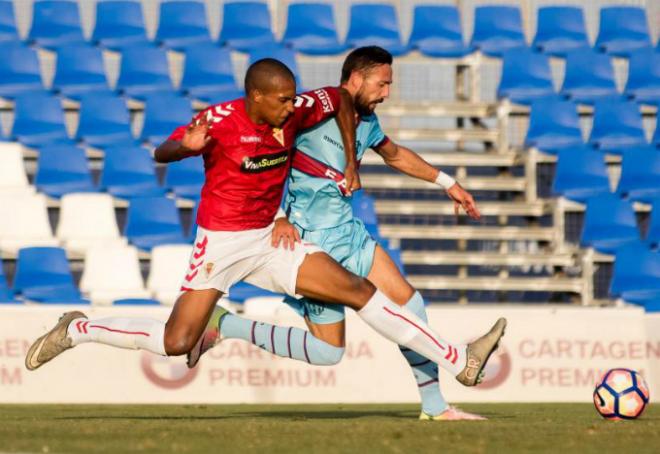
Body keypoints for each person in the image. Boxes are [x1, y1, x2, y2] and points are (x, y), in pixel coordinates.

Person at [26, 59, 505, 394]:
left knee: (358, 289)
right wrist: (186, 147)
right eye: (279, 102)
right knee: (176, 342)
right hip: (222, 245)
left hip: (270, 240)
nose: (289, 110)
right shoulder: (217, 121)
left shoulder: (295, 108)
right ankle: (79, 328)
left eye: (292, 100)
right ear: (254, 97)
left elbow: (340, 97)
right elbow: (161, 152)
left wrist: (351, 165)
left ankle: (460, 361)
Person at [188, 47, 491, 420]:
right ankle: (225, 323)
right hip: (310, 243)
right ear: (357, 79)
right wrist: (279, 215)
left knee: (410, 305)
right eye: (383, 84)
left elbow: (395, 155)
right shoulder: (305, 114)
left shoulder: (368, 123)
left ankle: (435, 406)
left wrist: (448, 183)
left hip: (349, 234)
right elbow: (266, 161)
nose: (387, 93)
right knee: (327, 351)